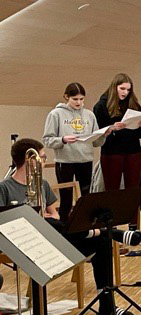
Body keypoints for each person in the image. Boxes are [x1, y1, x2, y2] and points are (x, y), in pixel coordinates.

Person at [0, 139, 141, 315]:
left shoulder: (42, 183)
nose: (44, 161)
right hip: (25, 242)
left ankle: (106, 306)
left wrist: (45, 218)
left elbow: (54, 214)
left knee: (101, 243)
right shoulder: (5, 187)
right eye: (43, 157)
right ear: (31, 161)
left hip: (53, 237)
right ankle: (108, 231)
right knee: (53, 224)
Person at [43, 82, 109, 221]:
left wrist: (103, 135)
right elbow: (47, 140)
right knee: (66, 198)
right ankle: (64, 227)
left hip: (85, 160)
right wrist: (63, 139)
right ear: (66, 97)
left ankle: (84, 226)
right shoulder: (56, 114)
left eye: (81, 99)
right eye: (75, 99)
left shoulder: (89, 115)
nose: (79, 102)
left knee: (85, 198)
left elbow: (96, 142)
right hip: (65, 161)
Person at [94, 73, 141, 192]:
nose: (125, 92)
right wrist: (112, 128)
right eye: (122, 89)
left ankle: (132, 206)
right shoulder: (101, 106)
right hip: (112, 152)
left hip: (133, 151)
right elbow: (98, 133)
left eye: (128, 90)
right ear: (114, 87)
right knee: (112, 190)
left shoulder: (134, 105)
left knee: (132, 190)